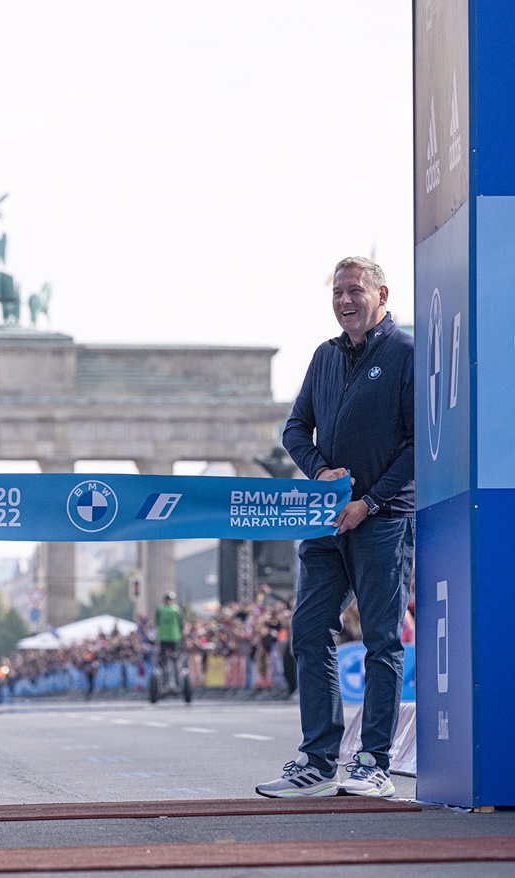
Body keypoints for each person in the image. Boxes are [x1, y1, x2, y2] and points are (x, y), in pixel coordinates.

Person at [256, 257, 413, 800]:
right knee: (309, 629)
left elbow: (419, 446)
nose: (344, 301)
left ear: (381, 294)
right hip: (325, 522)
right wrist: (320, 471)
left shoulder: (407, 354)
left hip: (383, 520)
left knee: (381, 639)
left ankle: (374, 762)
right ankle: (319, 760)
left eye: (355, 291)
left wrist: (369, 501)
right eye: (337, 293)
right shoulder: (324, 356)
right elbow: (295, 428)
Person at [155, 591, 183, 690]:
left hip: (164, 638)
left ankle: (165, 684)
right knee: (176, 661)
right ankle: (178, 684)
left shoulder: (160, 609)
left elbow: (157, 623)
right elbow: (181, 624)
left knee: (164, 662)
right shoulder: (177, 609)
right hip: (175, 638)